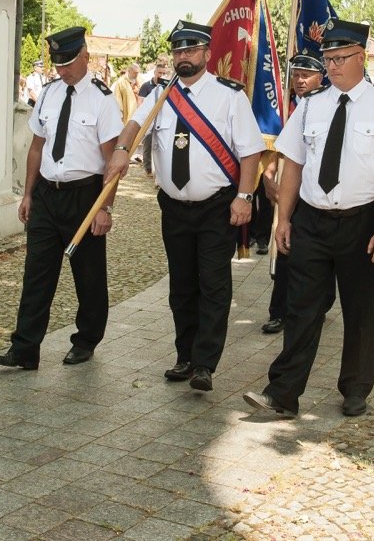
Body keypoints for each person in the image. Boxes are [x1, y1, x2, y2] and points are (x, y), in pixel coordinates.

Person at [243, 19, 374, 418]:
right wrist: (284, 220)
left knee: (359, 310)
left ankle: (355, 388)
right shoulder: (309, 106)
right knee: (301, 306)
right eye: (328, 59)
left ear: (361, 57)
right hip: (311, 220)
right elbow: (294, 165)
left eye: (340, 58)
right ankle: (283, 394)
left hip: (361, 222)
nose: (332, 66)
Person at [106, 21, 264, 393]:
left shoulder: (229, 96)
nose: (184, 57)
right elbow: (133, 125)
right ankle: (185, 356)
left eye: (191, 50)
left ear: (207, 53)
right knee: (181, 285)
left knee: (213, 284)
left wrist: (244, 197)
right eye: (178, 51)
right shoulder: (162, 94)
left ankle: (205, 363)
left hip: (216, 207)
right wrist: (121, 150)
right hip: (174, 207)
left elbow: (251, 152)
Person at [0, 27, 122, 370]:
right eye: (58, 63)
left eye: (69, 63)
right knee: (37, 273)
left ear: (86, 56)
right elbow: (37, 147)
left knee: (88, 275)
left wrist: (105, 207)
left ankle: (86, 340)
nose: (62, 70)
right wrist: (27, 193)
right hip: (47, 193)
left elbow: (112, 162)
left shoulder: (103, 99)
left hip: (85, 196)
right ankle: (25, 348)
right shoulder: (48, 93)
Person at [260, 53, 326, 334]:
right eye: (296, 75)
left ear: (320, 78)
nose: (299, 80)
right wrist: (267, 178)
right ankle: (279, 312)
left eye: (306, 75)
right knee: (285, 251)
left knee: (318, 256)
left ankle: (319, 307)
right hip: (287, 187)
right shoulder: (282, 108)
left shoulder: (327, 106)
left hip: (316, 190)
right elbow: (274, 149)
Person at [137, 57, 170, 174]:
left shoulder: (168, 87)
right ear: (155, 72)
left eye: (163, 73)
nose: (161, 75)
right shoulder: (146, 86)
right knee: (147, 145)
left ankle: (161, 170)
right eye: (159, 73)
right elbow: (140, 102)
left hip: (162, 122)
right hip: (149, 121)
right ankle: (148, 169)